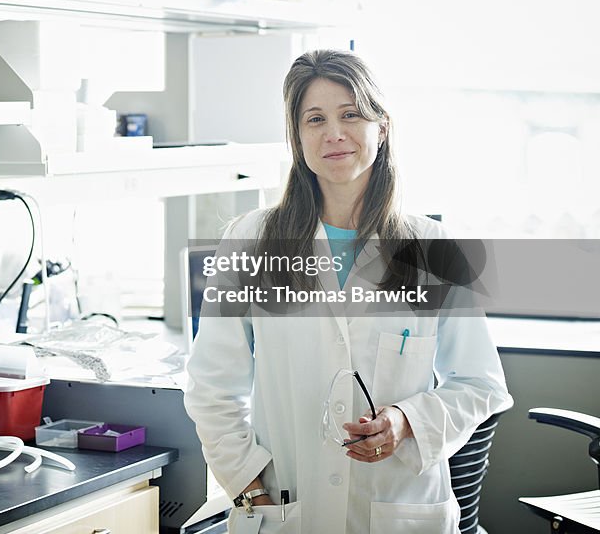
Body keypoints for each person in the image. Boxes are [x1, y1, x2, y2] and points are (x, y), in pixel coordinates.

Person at [184, 50, 512, 533]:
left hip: (398, 508)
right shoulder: (250, 240)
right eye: (314, 119)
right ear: (297, 139)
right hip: (287, 508)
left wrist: (408, 421)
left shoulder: (433, 248)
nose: (333, 133)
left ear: (381, 127)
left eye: (351, 114)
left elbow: (481, 384)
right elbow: (212, 386)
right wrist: (249, 487)